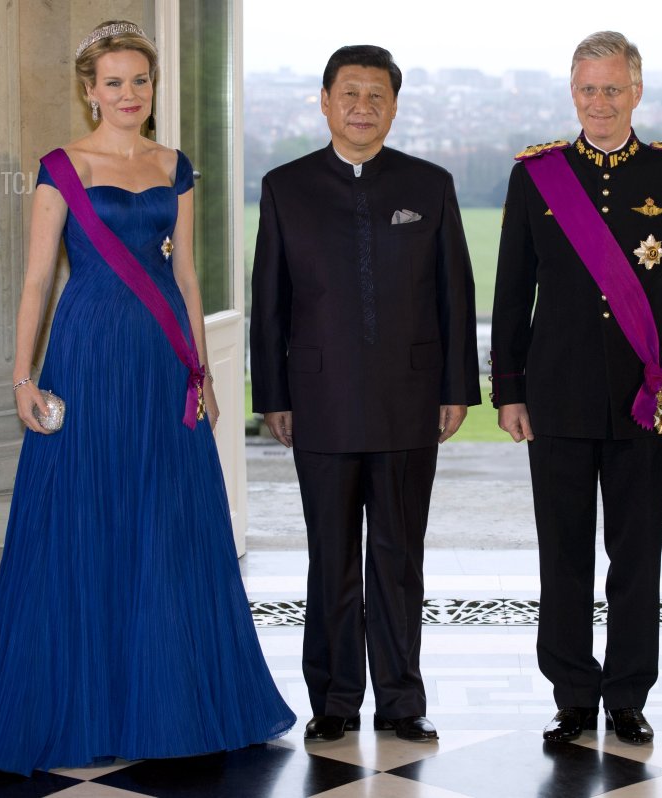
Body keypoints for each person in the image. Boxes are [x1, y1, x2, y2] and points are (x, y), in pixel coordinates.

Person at [0, 21, 295, 774]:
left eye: (140, 80)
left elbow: (189, 277)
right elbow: (38, 280)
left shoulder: (176, 165)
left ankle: (168, 696)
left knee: (167, 525)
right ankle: (79, 696)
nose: (128, 94)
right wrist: (21, 376)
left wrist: (200, 371)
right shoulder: (61, 167)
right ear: (89, 90)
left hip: (163, 364)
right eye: (113, 82)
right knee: (84, 518)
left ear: (152, 86)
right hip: (90, 356)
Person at [491, 31, 662, 745]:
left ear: (636, 92)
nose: (599, 102)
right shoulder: (536, 177)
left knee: (637, 554)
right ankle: (572, 694)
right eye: (587, 89)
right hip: (555, 396)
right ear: (572, 92)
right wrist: (508, 388)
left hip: (643, 398)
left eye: (612, 89)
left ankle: (626, 694)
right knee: (562, 554)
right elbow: (509, 293)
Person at [249, 45, 480, 743]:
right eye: (349, 93)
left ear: (394, 106)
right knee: (331, 559)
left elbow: (455, 294)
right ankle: (335, 701)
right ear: (324, 101)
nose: (362, 107)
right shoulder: (285, 187)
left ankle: (403, 701)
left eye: (376, 95)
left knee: (398, 558)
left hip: (411, 402)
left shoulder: (429, 184)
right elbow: (270, 302)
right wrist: (274, 395)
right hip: (318, 401)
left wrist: (457, 387)